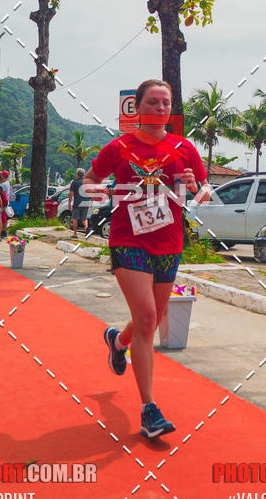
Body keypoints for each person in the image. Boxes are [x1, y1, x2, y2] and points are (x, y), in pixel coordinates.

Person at [83, 79, 210, 439]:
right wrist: (101, 193)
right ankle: (149, 410)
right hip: (128, 240)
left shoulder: (185, 148)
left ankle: (117, 343)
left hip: (169, 243)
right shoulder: (119, 146)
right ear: (135, 108)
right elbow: (90, 180)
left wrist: (195, 185)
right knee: (149, 317)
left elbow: (203, 196)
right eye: (152, 102)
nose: (159, 108)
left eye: (165, 103)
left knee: (148, 323)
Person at [68, 167, 91, 237]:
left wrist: (69, 203)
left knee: (75, 218)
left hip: (77, 203)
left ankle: (75, 234)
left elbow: (71, 193)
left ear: (77, 174)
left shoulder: (74, 182)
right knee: (84, 218)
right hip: (85, 202)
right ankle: (87, 229)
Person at [0, 170, 14, 238]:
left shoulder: (3, 185)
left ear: (4, 176)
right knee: (4, 219)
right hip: (5, 203)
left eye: (1, 175)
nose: (0, 176)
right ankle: (3, 232)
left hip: (3, 203)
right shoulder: (6, 183)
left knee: (3, 219)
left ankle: (3, 232)